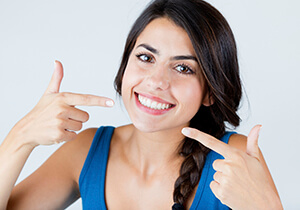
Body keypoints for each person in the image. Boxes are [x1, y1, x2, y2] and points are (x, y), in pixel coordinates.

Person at [0, 0, 283, 209]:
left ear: (211, 91)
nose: (157, 81)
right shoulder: (87, 150)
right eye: (146, 58)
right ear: (125, 66)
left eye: (184, 68)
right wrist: (21, 137)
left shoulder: (233, 159)